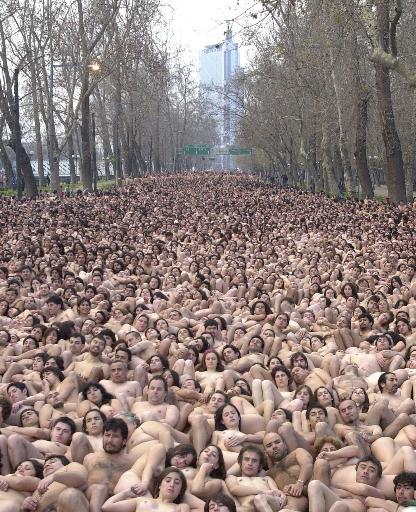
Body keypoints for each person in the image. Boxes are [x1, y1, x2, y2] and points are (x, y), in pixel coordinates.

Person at [84, 418, 134, 512]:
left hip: (116, 505)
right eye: (107, 435)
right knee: (99, 489)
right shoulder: (90, 458)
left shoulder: (131, 462)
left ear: (124, 441)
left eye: (115, 436)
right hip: (90, 503)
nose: (110, 440)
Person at [225, 445, 287, 512]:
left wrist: (282, 495)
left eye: (254, 461)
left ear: (259, 466)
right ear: (240, 462)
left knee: (259, 498)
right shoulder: (232, 478)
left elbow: (276, 491)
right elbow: (234, 489)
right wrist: (263, 492)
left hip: (270, 503)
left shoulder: (266, 479)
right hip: (249, 508)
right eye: (246, 459)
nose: (250, 463)